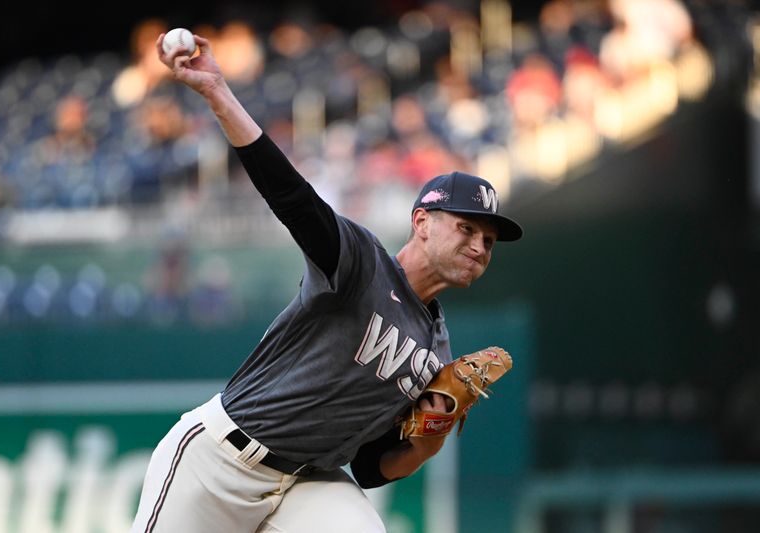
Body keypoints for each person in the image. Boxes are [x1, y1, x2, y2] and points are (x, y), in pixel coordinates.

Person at [131, 32, 523, 533]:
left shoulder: (436, 346)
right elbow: (291, 195)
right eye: (467, 229)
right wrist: (217, 92)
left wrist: (427, 444)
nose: (479, 247)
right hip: (220, 461)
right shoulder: (359, 261)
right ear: (421, 222)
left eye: (489, 241)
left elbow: (371, 465)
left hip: (310, 479)